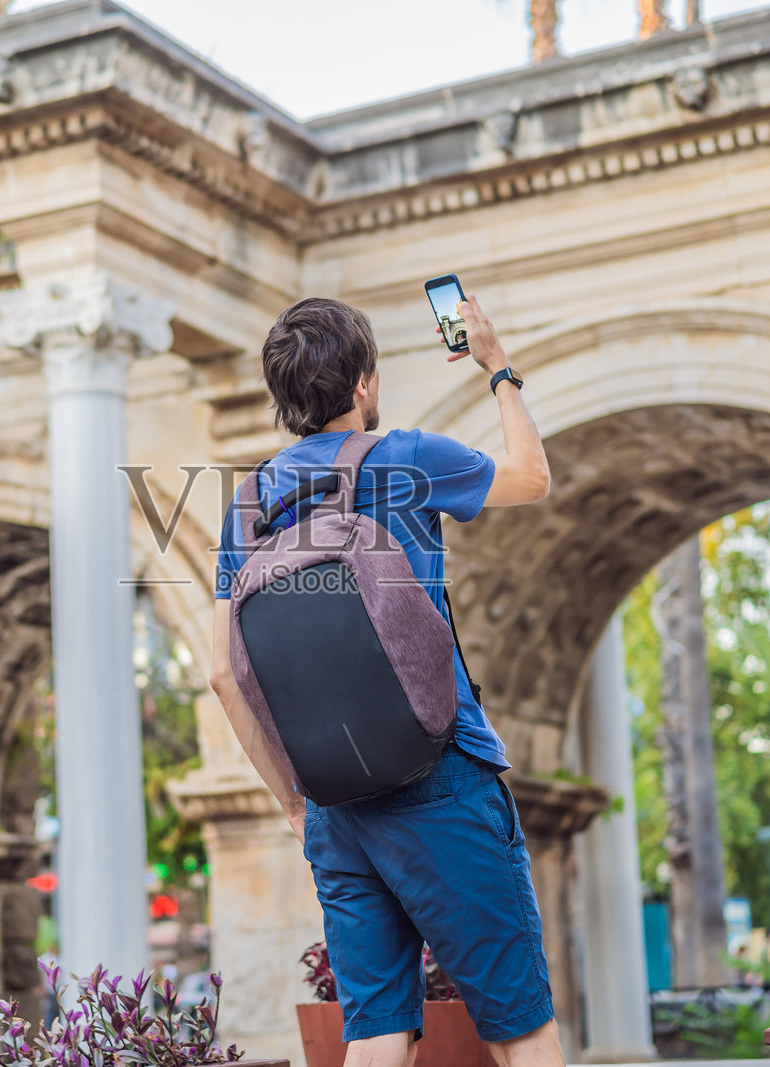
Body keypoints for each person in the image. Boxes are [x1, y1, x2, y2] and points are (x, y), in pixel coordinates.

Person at [209, 295, 560, 1067]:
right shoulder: (403, 457)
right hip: (440, 773)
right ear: (362, 383)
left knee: (373, 1033)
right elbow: (532, 476)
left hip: (334, 804)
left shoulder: (248, 503)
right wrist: (497, 367)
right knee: (520, 1027)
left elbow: (223, 674)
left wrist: (296, 802)